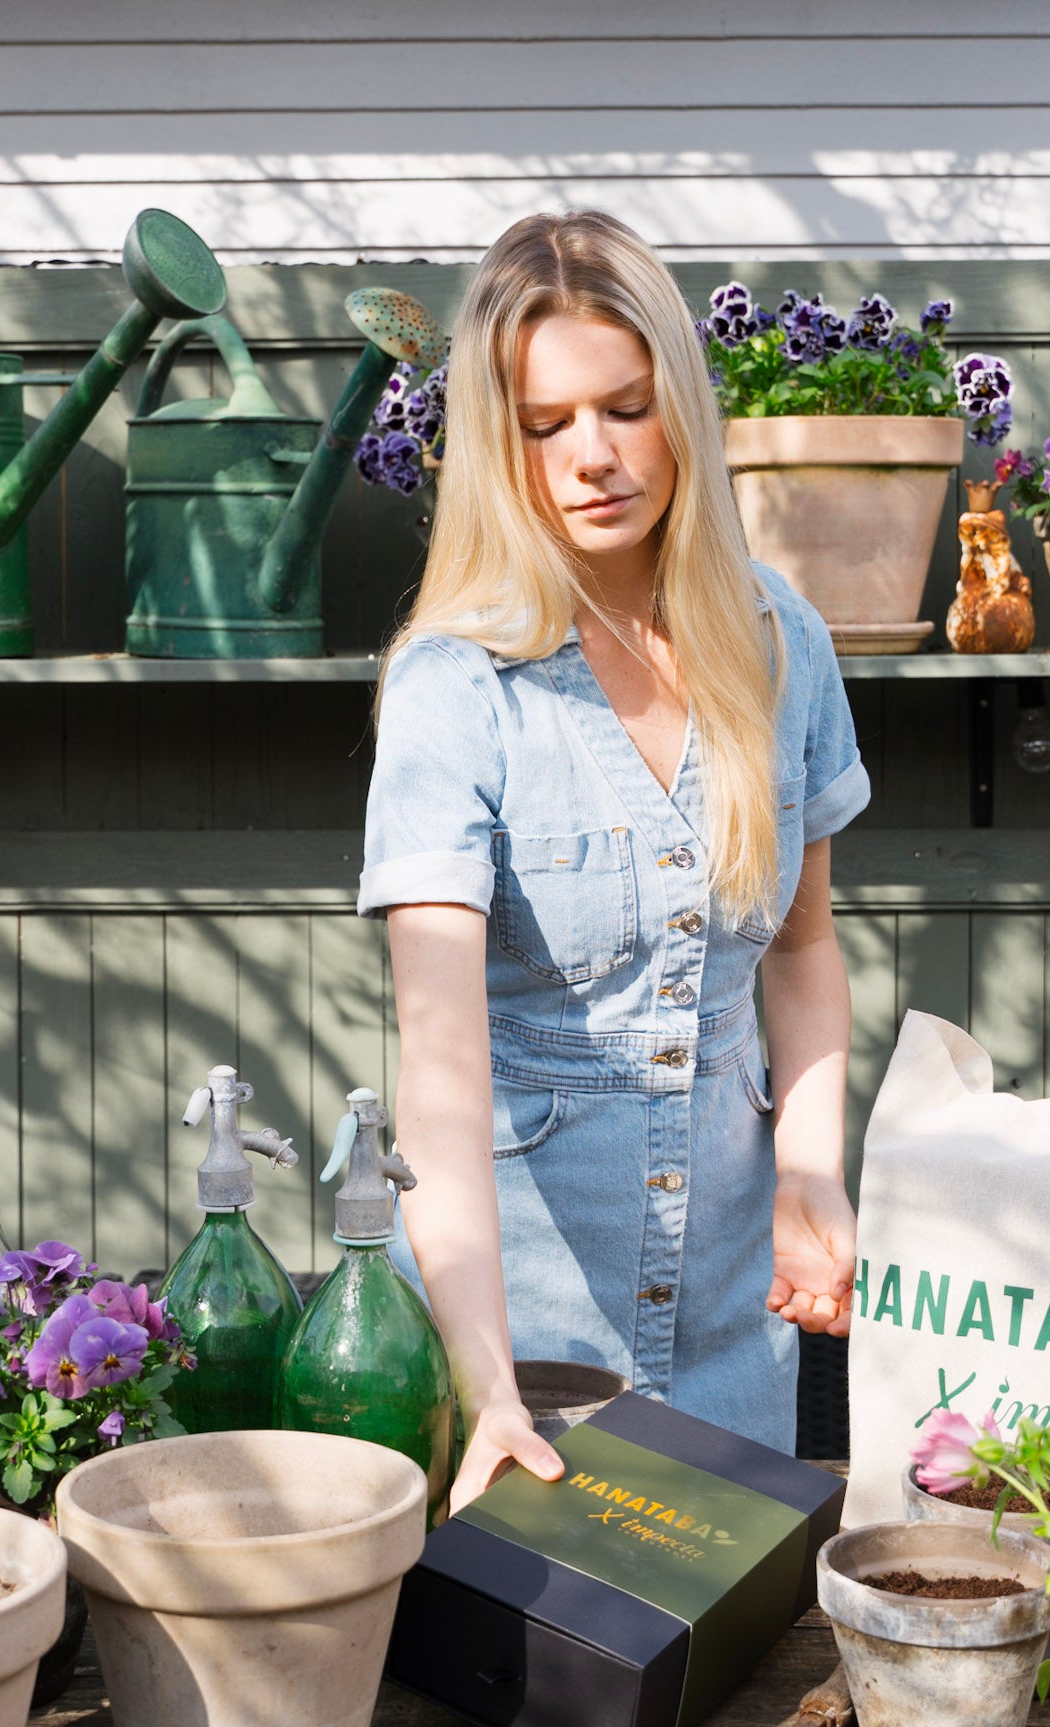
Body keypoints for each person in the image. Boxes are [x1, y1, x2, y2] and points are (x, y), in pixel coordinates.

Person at [358, 210, 869, 1510]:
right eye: (546, 425)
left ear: (679, 410)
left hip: (729, 1340)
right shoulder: (456, 687)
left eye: (626, 408)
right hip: (518, 1350)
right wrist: (488, 1390)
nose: (593, 454)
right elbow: (441, 1082)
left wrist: (810, 1169)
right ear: (500, 444)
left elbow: (803, 956)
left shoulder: (779, 641)